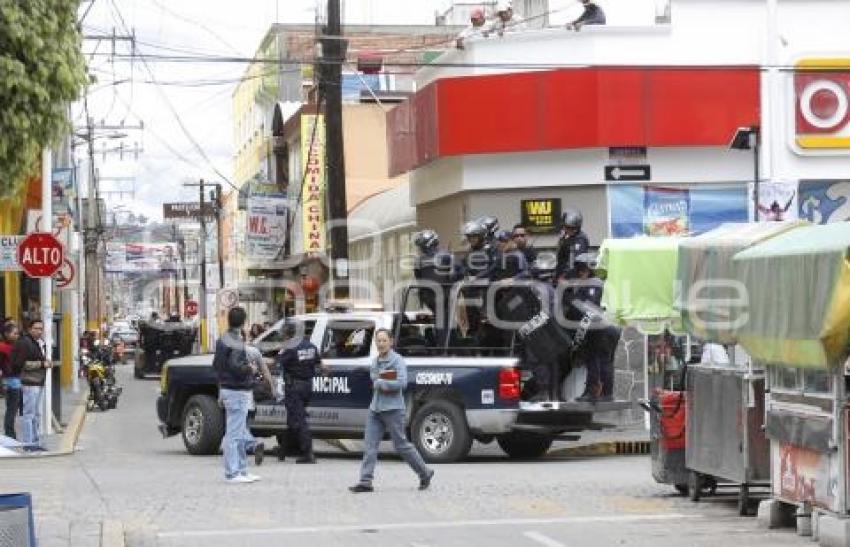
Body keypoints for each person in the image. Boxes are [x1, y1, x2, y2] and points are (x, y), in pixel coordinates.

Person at [349, 329, 434, 493]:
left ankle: (425, 473)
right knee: (369, 446)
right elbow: (374, 377)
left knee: (401, 445)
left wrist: (382, 382)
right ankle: (365, 482)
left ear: (391, 342)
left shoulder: (397, 361)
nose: (381, 344)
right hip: (375, 409)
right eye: (378, 341)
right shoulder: (375, 361)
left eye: (384, 341)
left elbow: (401, 383)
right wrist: (383, 379)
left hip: (393, 409)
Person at [213, 307, 262, 483]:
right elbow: (236, 365)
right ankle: (232, 473)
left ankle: (242, 470)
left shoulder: (222, 339)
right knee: (234, 434)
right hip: (237, 390)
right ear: (243, 321)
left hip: (228, 388)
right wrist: (250, 368)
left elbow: (217, 365)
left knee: (239, 433)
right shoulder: (236, 341)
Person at [564, 253, 619, 402]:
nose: (579, 274)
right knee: (605, 360)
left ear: (587, 269)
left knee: (594, 359)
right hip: (609, 327)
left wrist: (572, 301)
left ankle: (592, 392)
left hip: (600, 329)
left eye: (580, 270)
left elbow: (589, 309)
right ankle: (606, 394)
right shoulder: (601, 283)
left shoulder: (592, 284)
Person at [276, 322, 322, 463]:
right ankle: (286, 450)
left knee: (298, 420)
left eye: (283, 334)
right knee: (292, 419)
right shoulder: (311, 346)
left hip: (294, 388)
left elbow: (278, 362)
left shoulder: (290, 348)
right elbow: (318, 363)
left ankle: (308, 453)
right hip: (307, 386)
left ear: (289, 334)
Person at [10, 319, 51, 450]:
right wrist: (41, 364)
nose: (39, 331)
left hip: (38, 382)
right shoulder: (24, 343)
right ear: (29, 329)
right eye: (36, 328)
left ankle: (35, 442)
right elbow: (20, 364)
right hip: (29, 383)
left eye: (41, 328)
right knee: (28, 414)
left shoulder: (39, 343)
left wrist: (45, 362)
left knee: (35, 414)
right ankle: (28, 444)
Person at [413, 229, 459, 346]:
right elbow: (457, 274)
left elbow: (418, 278)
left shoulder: (419, 261)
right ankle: (446, 349)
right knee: (445, 322)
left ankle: (445, 347)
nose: (420, 248)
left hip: (428, 297)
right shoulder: (447, 256)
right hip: (445, 296)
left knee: (441, 321)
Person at [554, 209, 590, 283]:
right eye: (566, 227)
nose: (567, 230)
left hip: (572, 279)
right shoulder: (567, 238)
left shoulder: (580, 239)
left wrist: (564, 277)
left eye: (572, 228)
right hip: (564, 276)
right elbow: (562, 259)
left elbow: (576, 261)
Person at [1, 321, 21, 439]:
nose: (16, 336)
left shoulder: (14, 346)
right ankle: (10, 434)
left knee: (12, 409)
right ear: (6, 334)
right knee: (12, 409)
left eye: (17, 333)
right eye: (14, 333)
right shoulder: (4, 347)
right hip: (11, 380)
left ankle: (10, 432)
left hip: (12, 380)